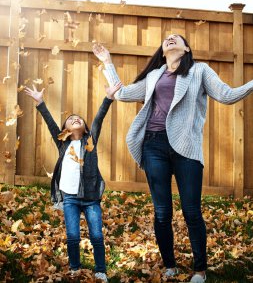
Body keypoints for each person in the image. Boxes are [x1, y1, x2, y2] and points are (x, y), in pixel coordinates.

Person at [92, 34, 253, 283]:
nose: (169, 39)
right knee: (162, 212)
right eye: (166, 38)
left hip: (186, 148)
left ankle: (200, 270)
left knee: (192, 211)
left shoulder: (199, 71)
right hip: (154, 145)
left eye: (175, 38)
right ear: (163, 49)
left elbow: (227, 95)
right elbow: (122, 94)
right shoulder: (155, 75)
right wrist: (108, 62)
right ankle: (170, 265)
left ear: (186, 48)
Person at [24, 82, 122, 282]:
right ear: (65, 129)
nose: (75, 119)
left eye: (79, 119)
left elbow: (99, 119)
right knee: (73, 237)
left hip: (91, 199)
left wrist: (108, 98)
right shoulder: (63, 143)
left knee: (96, 236)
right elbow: (51, 123)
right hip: (70, 198)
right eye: (70, 119)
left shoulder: (90, 141)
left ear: (85, 127)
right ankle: (75, 268)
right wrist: (40, 102)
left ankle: (100, 270)